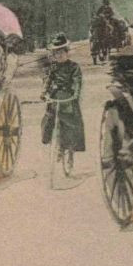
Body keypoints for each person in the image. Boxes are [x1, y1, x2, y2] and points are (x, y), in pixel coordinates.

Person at [41, 33, 85, 174]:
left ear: (67, 53)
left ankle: (70, 151)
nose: (59, 56)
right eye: (56, 53)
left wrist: (76, 94)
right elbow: (48, 81)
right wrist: (44, 92)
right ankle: (55, 145)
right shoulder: (53, 67)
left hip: (69, 97)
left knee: (72, 125)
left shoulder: (74, 67)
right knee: (48, 120)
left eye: (61, 53)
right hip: (55, 96)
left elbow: (77, 82)